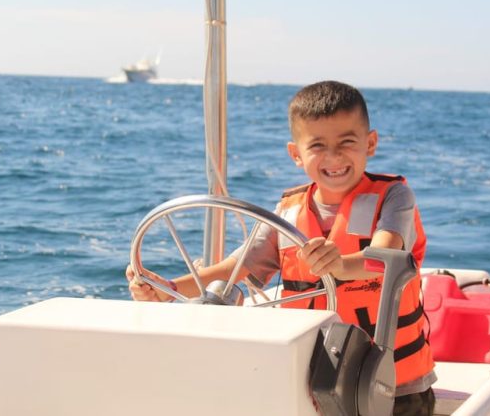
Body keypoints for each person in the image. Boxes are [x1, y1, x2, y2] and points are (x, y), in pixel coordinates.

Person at [126, 80, 436, 415]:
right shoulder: (287, 211)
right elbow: (236, 268)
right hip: (314, 382)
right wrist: (169, 289)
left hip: (391, 384)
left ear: (370, 143)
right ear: (296, 155)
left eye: (347, 142)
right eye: (318, 145)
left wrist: (341, 266)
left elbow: (386, 256)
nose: (333, 156)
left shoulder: (394, 197)